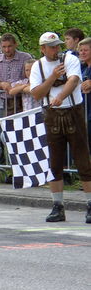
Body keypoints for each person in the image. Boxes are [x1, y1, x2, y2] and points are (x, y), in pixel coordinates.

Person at [30, 32, 91, 223]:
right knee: (54, 162)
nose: (56, 49)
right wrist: (52, 77)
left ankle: (90, 204)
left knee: (82, 159)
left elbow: (73, 81)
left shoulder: (70, 58)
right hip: (52, 115)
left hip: (74, 111)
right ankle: (58, 206)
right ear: (42, 49)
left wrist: (60, 97)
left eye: (57, 45)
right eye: (52, 47)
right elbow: (37, 94)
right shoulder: (37, 66)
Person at [0, 33, 32, 115]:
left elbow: (31, 77)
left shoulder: (25, 57)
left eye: (9, 46)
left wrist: (17, 86)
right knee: (7, 126)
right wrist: (2, 84)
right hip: (4, 101)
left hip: (23, 99)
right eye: (4, 47)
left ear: (15, 44)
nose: (7, 50)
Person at [79, 38, 91, 148]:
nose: (82, 53)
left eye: (85, 50)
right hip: (85, 109)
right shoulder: (83, 68)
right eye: (81, 50)